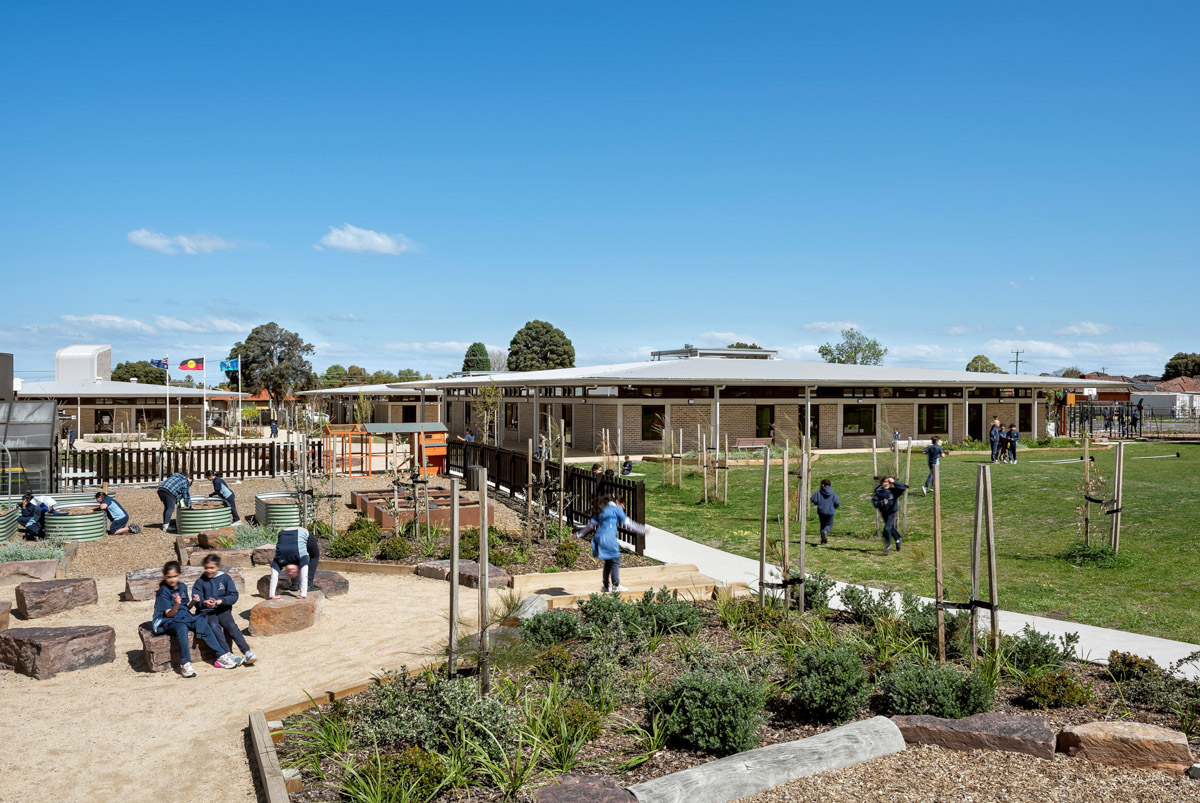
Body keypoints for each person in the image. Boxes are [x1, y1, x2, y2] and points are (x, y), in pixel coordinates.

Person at [151, 560, 242, 677]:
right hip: (168, 620)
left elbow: (186, 607)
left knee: (202, 622)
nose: (172, 579)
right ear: (165, 576)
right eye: (169, 577)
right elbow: (169, 614)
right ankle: (185, 664)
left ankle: (220, 655)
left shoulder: (182, 586)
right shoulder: (163, 591)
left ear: (179, 575)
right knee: (182, 628)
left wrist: (193, 601)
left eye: (175, 576)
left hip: (183, 616)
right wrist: (177, 604)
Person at [191, 554, 257, 666]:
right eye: (206, 567)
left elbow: (233, 595)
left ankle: (247, 651)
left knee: (231, 626)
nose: (208, 570)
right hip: (208, 612)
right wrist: (204, 603)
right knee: (214, 626)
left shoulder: (225, 578)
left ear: (218, 567)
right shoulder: (200, 582)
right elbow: (196, 599)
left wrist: (220, 601)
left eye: (211, 568)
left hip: (223, 609)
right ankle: (227, 653)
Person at [575, 494, 646, 593]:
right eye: (623, 506)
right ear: (618, 503)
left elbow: (590, 526)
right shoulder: (617, 509)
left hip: (599, 538)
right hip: (609, 538)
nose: (623, 508)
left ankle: (605, 586)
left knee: (608, 561)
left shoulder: (601, 510)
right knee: (615, 559)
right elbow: (627, 523)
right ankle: (616, 585)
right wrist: (642, 529)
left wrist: (578, 534)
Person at [268, 526, 320, 598]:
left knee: (314, 556)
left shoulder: (280, 558)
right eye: (294, 573)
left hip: (296, 532)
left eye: (291, 573)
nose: (291, 572)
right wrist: (303, 594)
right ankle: (309, 584)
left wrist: (272, 595)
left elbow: (274, 575)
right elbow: (304, 575)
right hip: (283, 533)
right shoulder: (284, 557)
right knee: (315, 556)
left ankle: (295, 584)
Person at [871, 476, 907, 552]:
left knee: (887, 528)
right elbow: (874, 503)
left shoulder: (894, 491)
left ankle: (888, 545)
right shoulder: (879, 492)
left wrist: (894, 482)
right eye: (884, 482)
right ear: (881, 483)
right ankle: (898, 539)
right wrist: (882, 503)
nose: (886, 484)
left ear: (890, 484)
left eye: (888, 482)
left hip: (891, 512)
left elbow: (902, 488)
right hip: (884, 512)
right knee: (891, 527)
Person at [810, 478, 839, 545]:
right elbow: (837, 503)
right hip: (830, 512)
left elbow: (813, 499)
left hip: (821, 511)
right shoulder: (833, 493)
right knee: (829, 525)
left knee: (822, 525)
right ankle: (825, 532)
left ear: (823, 484)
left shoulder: (819, 492)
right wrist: (835, 506)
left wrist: (817, 503)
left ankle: (823, 541)